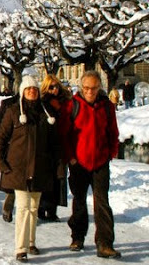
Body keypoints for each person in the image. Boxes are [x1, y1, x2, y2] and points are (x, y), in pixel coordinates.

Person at [0, 76, 60, 262]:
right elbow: (1, 139)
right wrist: (2, 164)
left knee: (34, 207)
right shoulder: (14, 112)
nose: (32, 91)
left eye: (35, 89)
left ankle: (31, 242)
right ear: (22, 92)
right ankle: (20, 248)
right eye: (28, 89)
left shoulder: (46, 113)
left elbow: (54, 143)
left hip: (40, 168)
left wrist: (57, 165)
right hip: (18, 168)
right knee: (23, 208)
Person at [59, 71, 121, 259]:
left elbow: (113, 132)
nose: (90, 92)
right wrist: (70, 157)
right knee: (79, 201)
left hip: (100, 161)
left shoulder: (107, 107)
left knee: (102, 202)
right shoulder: (72, 106)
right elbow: (64, 134)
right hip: (79, 162)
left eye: (94, 88)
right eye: (86, 88)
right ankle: (77, 236)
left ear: (99, 87)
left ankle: (105, 243)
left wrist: (111, 152)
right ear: (81, 87)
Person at [38, 74, 71, 222]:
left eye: (57, 86)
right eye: (51, 86)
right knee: (45, 177)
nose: (55, 89)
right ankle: (41, 207)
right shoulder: (42, 103)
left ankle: (52, 209)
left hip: (62, 143)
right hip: (46, 144)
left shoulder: (66, 102)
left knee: (59, 178)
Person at [0, 92, 19, 222]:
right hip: (12, 149)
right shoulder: (8, 104)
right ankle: (8, 208)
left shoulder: (39, 106)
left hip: (30, 151)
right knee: (13, 184)